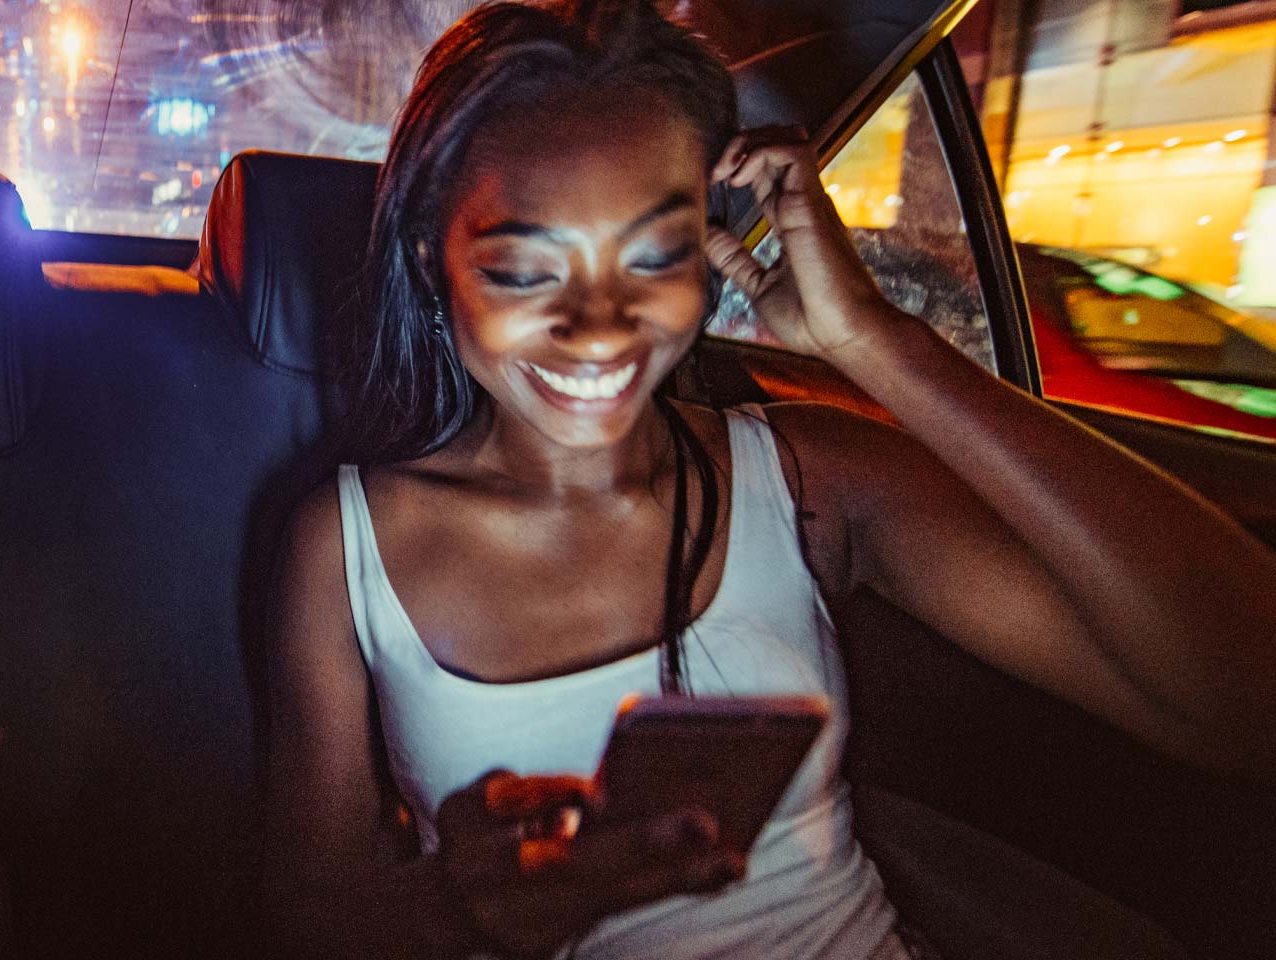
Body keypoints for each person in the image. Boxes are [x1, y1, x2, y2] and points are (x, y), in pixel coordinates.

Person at [261, 1, 1276, 958]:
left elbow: (1242, 699)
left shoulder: (805, 475)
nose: (602, 327)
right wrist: (453, 905)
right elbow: (310, 916)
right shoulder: (345, 547)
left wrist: (871, 339)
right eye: (526, 270)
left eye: (653, 257)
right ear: (433, 265)